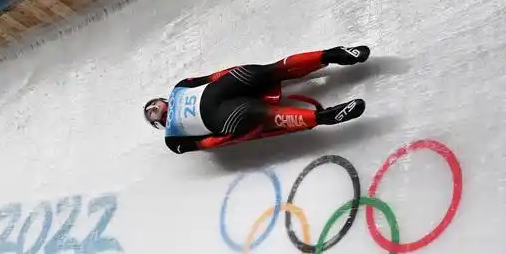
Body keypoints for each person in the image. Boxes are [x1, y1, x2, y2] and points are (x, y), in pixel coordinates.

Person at [143, 45, 370, 154]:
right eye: (154, 114)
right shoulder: (172, 140)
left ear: (162, 99)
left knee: (265, 72)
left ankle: (332, 55)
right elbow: (205, 143)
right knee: (257, 112)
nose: (157, 110)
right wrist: (232, 136)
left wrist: (238, 71)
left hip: (222, 88)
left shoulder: (180, 87)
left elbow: (213, 78)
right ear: (158, 125)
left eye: (155, 106)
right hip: (220, 116)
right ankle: (325, 117)